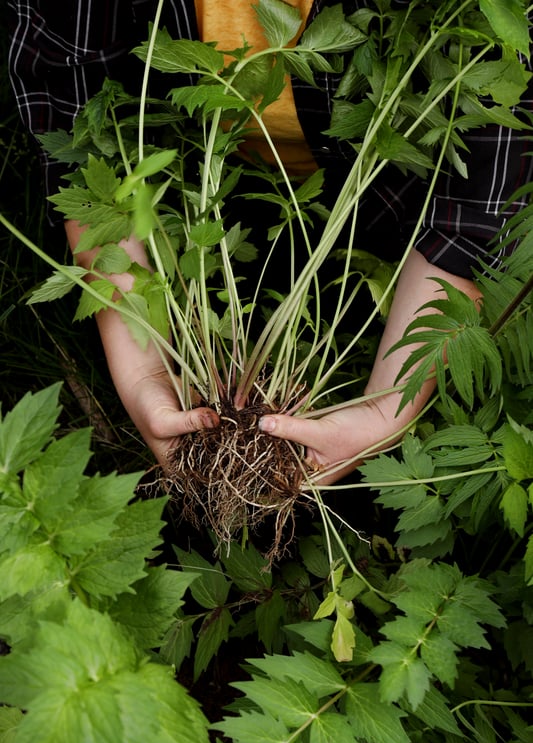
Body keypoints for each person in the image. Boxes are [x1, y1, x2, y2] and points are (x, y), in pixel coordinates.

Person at [6, 0, 533, 483]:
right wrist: (144, 369)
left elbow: (479, 202)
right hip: (197, 170)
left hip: (392, 189)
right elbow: (77, 123)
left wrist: (385, 407)